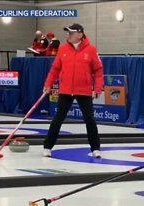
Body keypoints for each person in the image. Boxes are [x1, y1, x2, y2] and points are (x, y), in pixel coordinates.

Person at [42, 23, 103, 158]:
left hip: (84, 90)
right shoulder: (63, 49)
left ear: (80, 34)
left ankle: (95, 149)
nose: (68, 35)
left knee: (90, 120)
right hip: (66, 89)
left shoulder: (91, 50)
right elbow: (55, 69)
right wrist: (48, 84)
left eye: (71, 33)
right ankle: (47, 147)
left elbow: (98, 70)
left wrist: (98, 88)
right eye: (68, 32)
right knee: (58, 119)